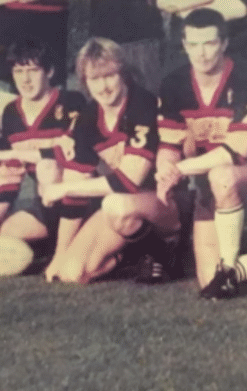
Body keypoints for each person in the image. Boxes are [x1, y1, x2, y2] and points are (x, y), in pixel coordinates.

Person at [37, 38, 172, 284]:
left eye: (109, 76)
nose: (104, 87)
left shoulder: (142, 104)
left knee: (116, 204)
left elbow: (129, 181)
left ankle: (166, 253)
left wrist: (62, 188)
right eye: (94, 79)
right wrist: (60, 253)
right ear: (85, 82)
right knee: (72, 273)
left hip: (165, 203)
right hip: (121, 209)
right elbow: (76, 187)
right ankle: (131, 255)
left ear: (123, 73)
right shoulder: (88, 116)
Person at [155, 9, 247, 298]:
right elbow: (169, 146)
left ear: (224, 43)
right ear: (184, 45)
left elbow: (235, 151)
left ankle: (230, 269)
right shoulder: (173, 84)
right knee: (207, 282)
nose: (202, 53)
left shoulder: (245, 78)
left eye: (209, 43)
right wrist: (166, 171)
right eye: (193, 44)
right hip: (206, 179)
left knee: (223, 176)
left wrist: (181, 169)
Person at [0, 41, 86, 255]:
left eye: (33, 70)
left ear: (49, 71)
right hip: (45, 204)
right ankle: (55, 241)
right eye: (19, 71)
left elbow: (69, 154)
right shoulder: (12, 112)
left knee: (47, 167)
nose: (25, 79)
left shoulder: (71, 101)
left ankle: (72, 242)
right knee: (4, 233)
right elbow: (9, 174)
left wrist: (16, 152)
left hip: (80, 200)